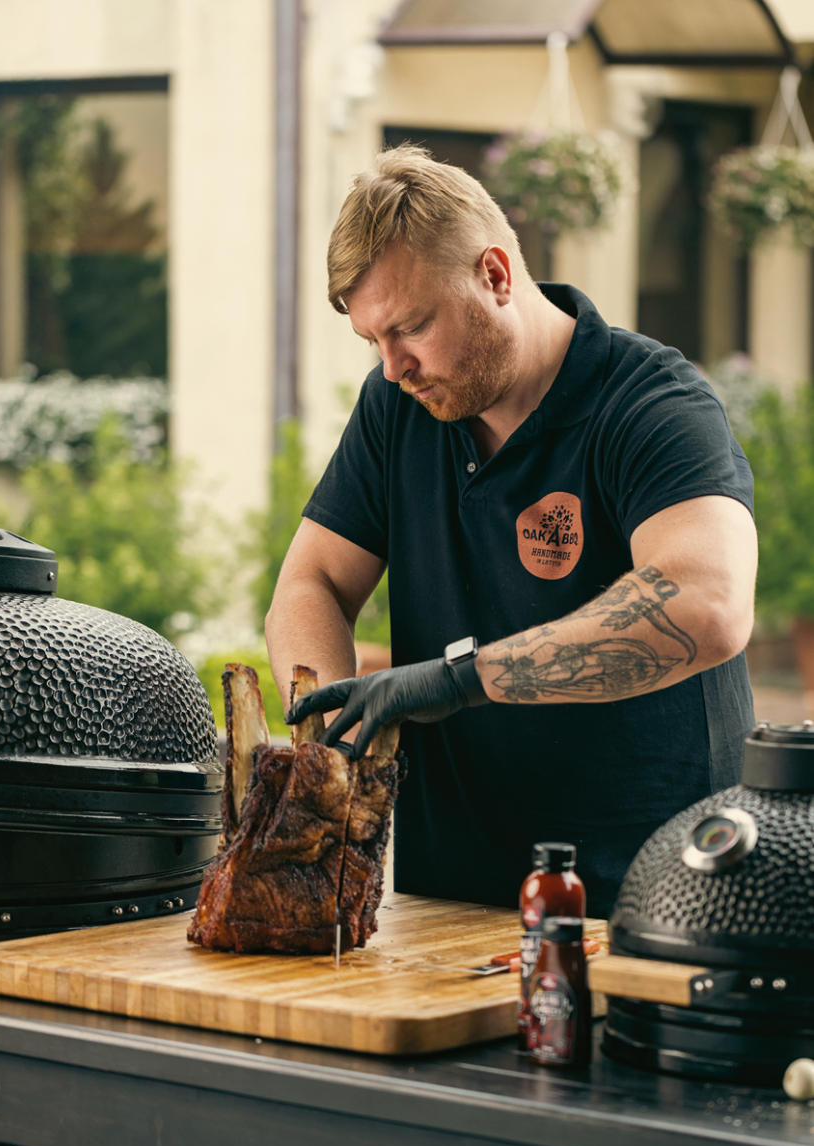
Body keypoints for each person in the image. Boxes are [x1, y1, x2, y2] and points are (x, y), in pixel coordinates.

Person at [268, 145, 757, 920]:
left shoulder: (653, 403)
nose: (395, 366)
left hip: (653, 899)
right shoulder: (398, 406)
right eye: (374, 342)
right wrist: (328, 741)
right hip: (452, 897)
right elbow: (312, 581)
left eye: (413, 327)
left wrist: (460, 676)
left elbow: (708, 604)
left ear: (495, 275)